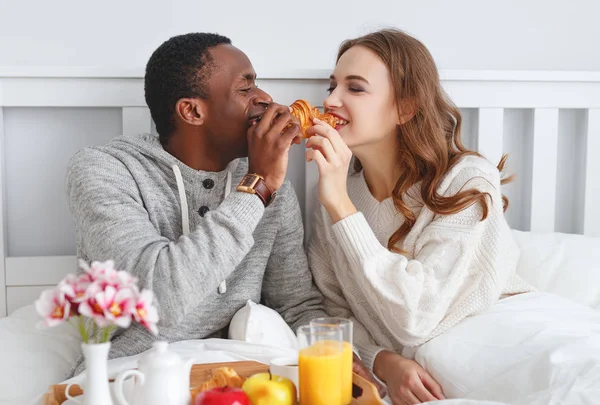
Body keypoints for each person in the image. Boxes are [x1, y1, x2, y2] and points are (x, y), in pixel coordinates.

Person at [66, 33, 381, 390]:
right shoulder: (104, 170)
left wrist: (344, 358)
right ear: (192, 111)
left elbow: (296, 305)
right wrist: (256, 187)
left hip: (240, 385)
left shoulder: (271, 184)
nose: (264, 98)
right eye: (245, 89)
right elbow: (159, 299)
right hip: (129, 382)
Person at [304, 28, 541, 404]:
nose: (330, 100)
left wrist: (341, 209)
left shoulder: (467, 179)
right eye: (332, 86)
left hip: (510, 341)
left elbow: (416, 317)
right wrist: (382, 361)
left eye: (355, 88)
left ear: (405, 108)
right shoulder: (338, 195)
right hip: (428, 364)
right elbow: (334, 309)